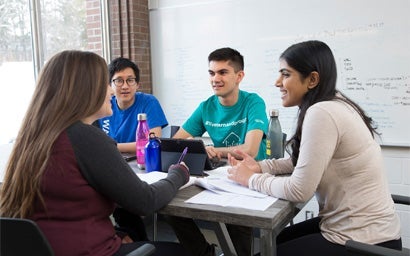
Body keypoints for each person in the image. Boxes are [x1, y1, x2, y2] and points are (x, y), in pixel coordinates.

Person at [0, 50, 191, 256]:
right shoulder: (83, 137)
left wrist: (116, 233)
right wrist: (179, 173)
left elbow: (64, 208)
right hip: (90, 251)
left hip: (47, 248)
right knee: (187, 252)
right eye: (107, 83)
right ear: (86, 90)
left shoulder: (33, 137)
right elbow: (145, 201)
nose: (112, 91)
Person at [227, 40, 402, 256]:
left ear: (312, 79)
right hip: (363, 230)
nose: (277, 82)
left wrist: (249, 179)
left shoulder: (322, 113)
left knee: (267, 250)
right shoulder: (334, 103)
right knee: (272, 242)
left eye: (286, 74)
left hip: (365, 241)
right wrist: (260, 167)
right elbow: (302, 161)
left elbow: (299, 190)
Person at [167, 47, 269, 256]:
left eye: (222, 72)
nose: (215, 79)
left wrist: (214, 150)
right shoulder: (206, 107)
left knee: (237, 219)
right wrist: (201, 149)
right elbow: (175, 143)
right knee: (169, 206)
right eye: (212, 73)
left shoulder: (253, 102)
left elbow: (249, 149)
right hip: (220, 175)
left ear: (239, 76)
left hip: (252, 175)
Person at [97, 57, 168, 153]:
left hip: (140, 162)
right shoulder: (105, 105)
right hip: (111, 159)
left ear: (137, 84)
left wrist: (111, 147)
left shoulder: (148, 102)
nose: (125, 86)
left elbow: (153, 141)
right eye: (119, 81)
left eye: (130, 80)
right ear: (110, 85)